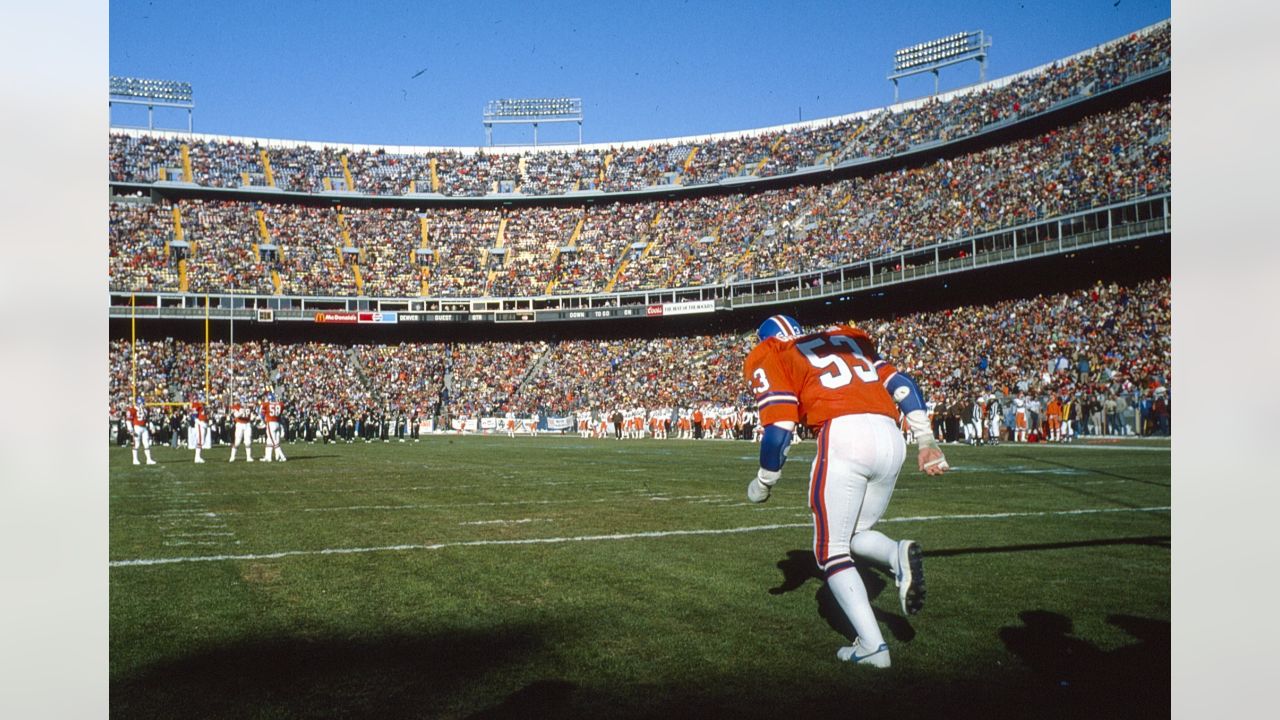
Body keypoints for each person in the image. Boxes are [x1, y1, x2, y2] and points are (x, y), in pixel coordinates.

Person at [742, 315, 949, 668]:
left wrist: (764, 481)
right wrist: (926, 440)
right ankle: (895, 554)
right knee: (855, 534)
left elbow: (779, 429)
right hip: (890, 436)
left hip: (844, 434)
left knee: (830, 551)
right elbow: (902, 385)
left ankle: (873, 646)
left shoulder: (776, 352)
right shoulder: (847, 341)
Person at [127, 396, 157, 465]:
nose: (144, 404)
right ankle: (135, 460)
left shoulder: (145, 410)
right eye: (143, 403)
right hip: (137, 427)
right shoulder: (132, 409)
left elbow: (147, 419)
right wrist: (131, 430)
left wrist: (152, 427)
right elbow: (128, 421)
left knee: (146, 443)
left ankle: (149, 459)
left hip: (144, 428)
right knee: (136, 444)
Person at [260, 391, 287, 462]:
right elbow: (281, 412)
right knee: (270, 440)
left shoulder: (266, 404)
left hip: (270, 423)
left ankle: (282, 456)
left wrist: (264, 421)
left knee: (274, 442)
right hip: (277, 423)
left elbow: (262, 415)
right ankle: (268, 457)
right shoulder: (280, 404)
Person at [228, 396, 254, 461]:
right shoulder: (236, 406)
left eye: (246, 402)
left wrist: (253, 417)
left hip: (247, 424)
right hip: (239, 424)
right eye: (244, 402)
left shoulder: (249, 407)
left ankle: (249, 457)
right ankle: (232, 457)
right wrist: (242, 411)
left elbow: (251, 416)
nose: (245, 403)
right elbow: (236, 415)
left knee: (248, 442)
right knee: (237, 442)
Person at [189, 396, 208, 463]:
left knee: (202, 441)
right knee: (200, 440)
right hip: (200, 424)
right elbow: (193, 415)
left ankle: (198, 457)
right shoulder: (197, 405)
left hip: (204, 423)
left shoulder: (203, 406)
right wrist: (198, 421)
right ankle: (197, 458)